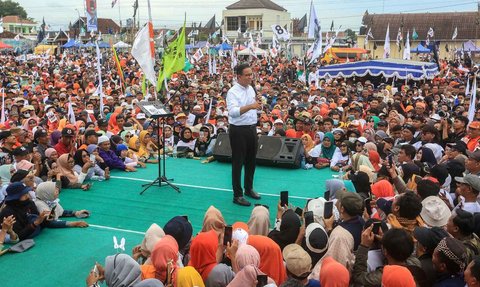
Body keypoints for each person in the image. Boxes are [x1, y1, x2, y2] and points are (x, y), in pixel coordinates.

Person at [226, 63, 261, 206]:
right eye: (247, 75)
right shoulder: (232, 92)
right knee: (238, 163)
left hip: (251, 129)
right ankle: (237, 195)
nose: (250, 77)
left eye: (251, 74)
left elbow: (253, 106)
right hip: (238, 130)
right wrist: (251, 107)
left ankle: (248, 188)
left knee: (251, 161)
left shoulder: (251, 89)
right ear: (238, 76)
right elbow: (233, 112)